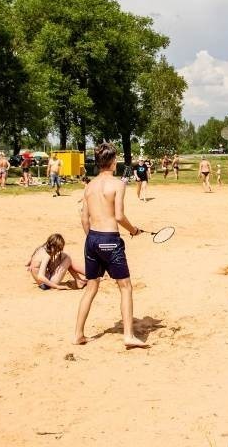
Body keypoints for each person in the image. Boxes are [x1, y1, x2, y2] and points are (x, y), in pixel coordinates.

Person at [74, 142, 147, 348]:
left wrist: (93, 240)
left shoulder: (89, 186)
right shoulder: (117, 184)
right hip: (110, 240)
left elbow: (84, 219)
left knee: (91, 287)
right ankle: (128, 336)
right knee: (125, 287)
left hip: (92, 239)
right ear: (113, 161)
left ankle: (78, 334)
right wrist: (133, 230)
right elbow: (119, 216)